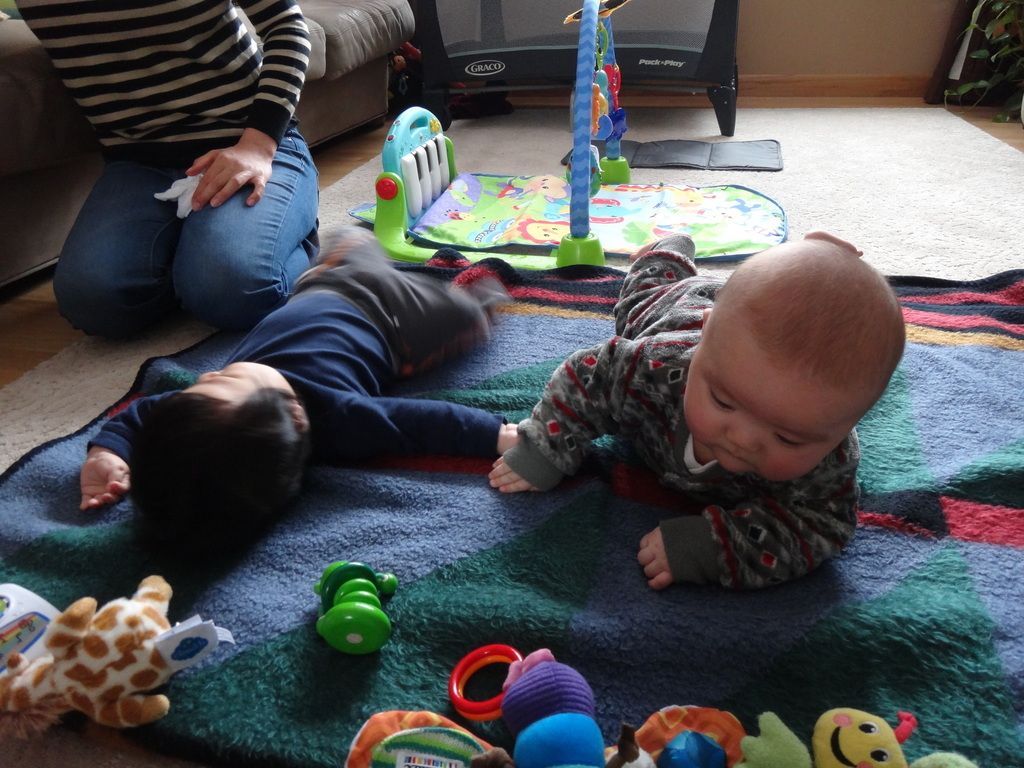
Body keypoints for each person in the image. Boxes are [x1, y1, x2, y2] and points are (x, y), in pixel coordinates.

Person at [489, 232, 906, 590]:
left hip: (725, 320)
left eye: (787, 437)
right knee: (640, 297)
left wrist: (716, 549)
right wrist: (545, 447)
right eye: (723, 401)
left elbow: (819, 529)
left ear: (849, 425)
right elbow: (587, 375)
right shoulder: (650, 367)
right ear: (705, 340)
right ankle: (668, 250)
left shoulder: (829, 465)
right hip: (673, 310)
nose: (741, 439)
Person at [79, 229, 516, 554]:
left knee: (353, 245)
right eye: (226, 380)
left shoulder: (209, 414)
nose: (206, 376)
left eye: (207, 384)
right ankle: (477, 299)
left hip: (316, 288)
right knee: (462, 314)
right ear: (294, 415)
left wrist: (108, 450)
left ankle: (347, 255)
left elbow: (145, 414)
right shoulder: (342, 418)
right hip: (391, 316)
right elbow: (423, 424)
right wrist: (498, 435)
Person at [18, 0, 320, 337]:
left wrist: (257, 144)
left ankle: (275, 244)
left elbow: (287, 25)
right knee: (92, 300)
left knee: (231, 289)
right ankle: (196, 264)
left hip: (245, 141)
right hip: (138, 161)